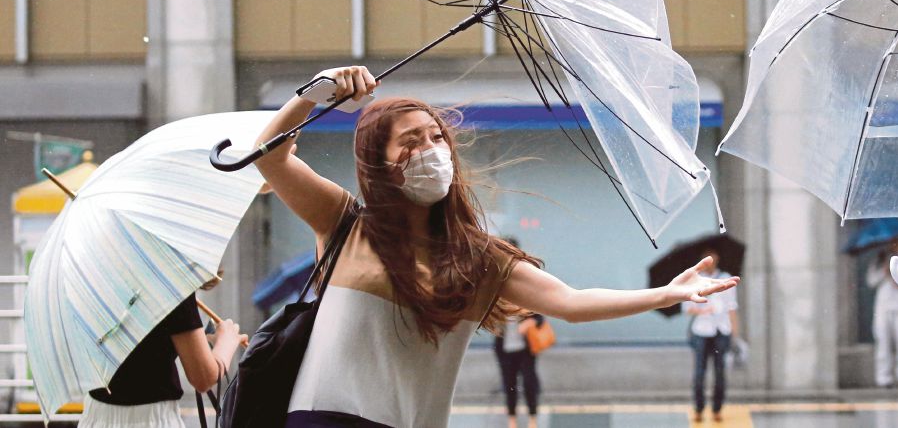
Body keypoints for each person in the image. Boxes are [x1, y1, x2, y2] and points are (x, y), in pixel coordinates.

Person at [255, 65, 740, 428]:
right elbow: (269, 155)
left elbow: (570, 303)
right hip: (324, 419)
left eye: (436, 136)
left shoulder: (480, 258)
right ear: (376, 161)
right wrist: (315, 93)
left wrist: (664, 295)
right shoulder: (345, 223)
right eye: (410, 141)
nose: (430, 149)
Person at [79, 275, 247, 428]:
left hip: (95, 416)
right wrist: (227, 341)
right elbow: (202, 376)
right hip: (151, 420)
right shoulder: (168, 278)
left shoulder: (95, 269)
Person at [683, 249, 739, 424]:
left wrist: (734, 333)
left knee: (720, 371)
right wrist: (703, 309)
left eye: (714, 257)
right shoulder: (694, 280)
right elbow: (686, 308)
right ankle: (699, 407)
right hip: (702, 330)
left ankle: (717, 407)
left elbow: (732, 307)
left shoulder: (725, 277)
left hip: (721, 330)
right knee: (700, 372)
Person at [493, 238, 542, 428]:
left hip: (525, 346)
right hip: (504, 346)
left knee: (529, 382)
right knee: (509, 384)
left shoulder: (526, 282)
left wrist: (529, 322)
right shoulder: (495, 283)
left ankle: (532, 419)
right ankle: (512, 421)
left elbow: (540, 315)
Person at [867, 241, 898, 387]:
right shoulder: (879, 260)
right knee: (883, 342)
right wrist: (884, 272)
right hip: (883, 307)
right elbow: (871, 281)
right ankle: (884, 378)